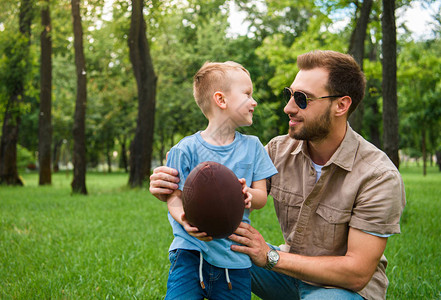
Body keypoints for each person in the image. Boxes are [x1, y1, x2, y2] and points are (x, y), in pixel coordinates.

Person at [150, 50, 406, 300]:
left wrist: (270, 256)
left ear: (341, 105)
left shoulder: (378, 176)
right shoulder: (277, 150)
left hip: (338, 288)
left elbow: (357, 273)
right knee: (221, 253)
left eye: (302, 99)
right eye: (290, 95)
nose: (288, 107)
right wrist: (172, 187)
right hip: (286, 274)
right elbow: (217, 179)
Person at [162, 61, 278, 300]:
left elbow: (261, 197)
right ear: (221, 100)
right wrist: (184, 220)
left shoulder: (254, 147)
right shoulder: (186, 149)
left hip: (234, 254)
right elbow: (173, 196)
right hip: (190, 251)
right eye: (247, 94)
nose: (254, 101)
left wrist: (248, 195)